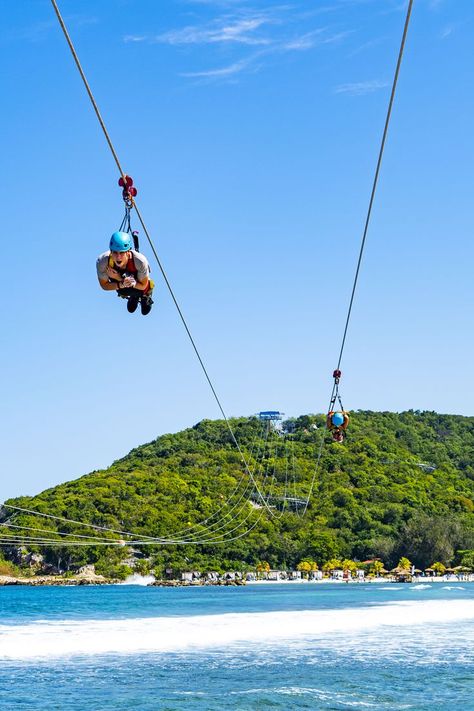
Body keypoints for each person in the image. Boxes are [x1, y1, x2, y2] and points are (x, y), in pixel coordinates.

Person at [96, 231, 154, 315]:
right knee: (128, 304)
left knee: (145, 311)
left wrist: (130, 283)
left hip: (141, 287)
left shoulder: (140, 261)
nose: (118, 257)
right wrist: (121, 283)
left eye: (122, 253)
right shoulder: (103, 262)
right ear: (111, 251)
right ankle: (134, 296)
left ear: (128, 252)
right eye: (115, 252)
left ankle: (146, 296)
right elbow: (104, 285)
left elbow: (142, 286)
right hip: (122, 287)